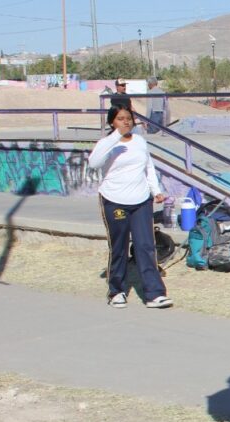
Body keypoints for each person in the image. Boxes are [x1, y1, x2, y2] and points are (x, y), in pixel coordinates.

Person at [87, 104, 172, 310]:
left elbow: (148, 167)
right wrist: (116, 136)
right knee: (119, 246)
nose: (126, 122)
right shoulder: (107, 143)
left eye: (128, 118)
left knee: (145, 246)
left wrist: (155, 190)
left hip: (141, 200)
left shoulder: (140, 141)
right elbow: (94, 163)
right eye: (120, 119)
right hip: (115, 200)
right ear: (112, 122)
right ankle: (117, 291)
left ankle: (154, 294)